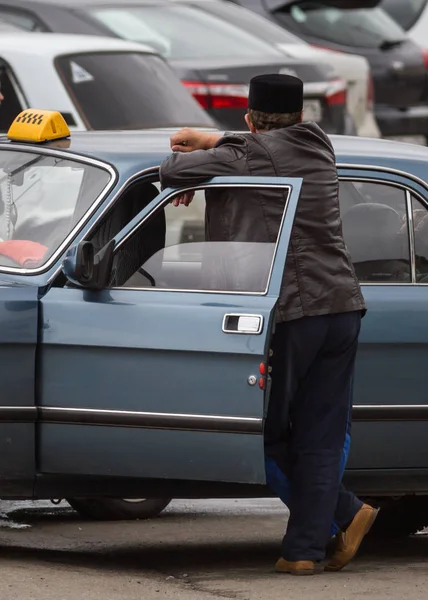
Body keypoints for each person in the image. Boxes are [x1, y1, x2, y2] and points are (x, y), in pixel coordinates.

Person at [160, 74, 378, 574]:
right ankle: (304, 550)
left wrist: (195, 158)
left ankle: (344, 513)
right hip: (343, 306)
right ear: (302, 117)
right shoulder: (318, 142)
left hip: (297, 313)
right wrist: (213, 141)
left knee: (264, 431)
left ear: (250, 121)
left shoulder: (251, 154)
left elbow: (170, 168)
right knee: (320, 436)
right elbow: (256, 148)